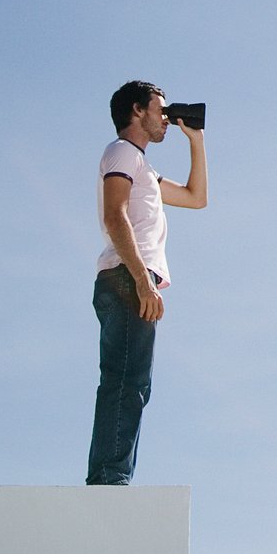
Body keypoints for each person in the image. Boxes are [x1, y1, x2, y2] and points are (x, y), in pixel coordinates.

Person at [87, 80, 207, 485]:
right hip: (127, 277)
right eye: (160, 108)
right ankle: (109, 479)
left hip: (135, 279)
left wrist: (196, 139)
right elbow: (114, 215)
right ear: (137, 111)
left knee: (134, 384)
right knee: (124, 381)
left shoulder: (146, 169)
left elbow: (196, 197)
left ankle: (113, 476)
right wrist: (142, 281)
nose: (166, 117)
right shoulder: (122, 152)